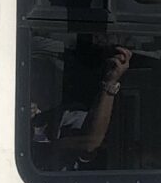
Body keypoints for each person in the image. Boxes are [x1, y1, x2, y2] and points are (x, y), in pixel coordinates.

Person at [27, 43, 131, 172]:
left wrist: (110, 83)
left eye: (44, 80)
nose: (40, 87)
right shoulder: (8, 110)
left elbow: (90, 143)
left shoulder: (65, 116)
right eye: (34, 79)